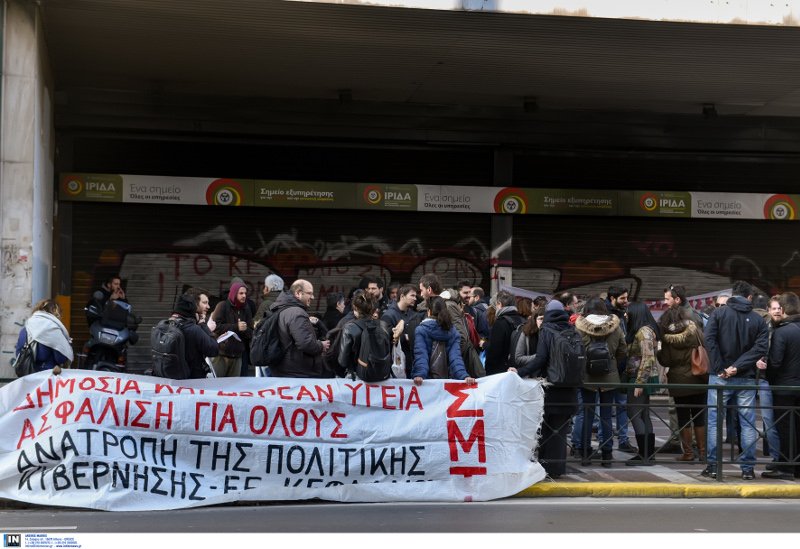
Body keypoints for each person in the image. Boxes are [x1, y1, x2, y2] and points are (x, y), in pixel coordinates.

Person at [702, 280, 769, 480]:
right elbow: (759, 349)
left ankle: (713, 466)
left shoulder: (718, 314)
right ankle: (747, 469)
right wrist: (737, 367)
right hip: (746, 377)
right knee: (747, 423)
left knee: (715, 421)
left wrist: (721, 367)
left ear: (733, 295)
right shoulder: (758, 320)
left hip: (720, 376)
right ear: (749, 297)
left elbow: (709, 340)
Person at [508, 300, 579, 479]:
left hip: (551, 386)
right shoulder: (573, 330)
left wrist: (520, 372)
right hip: (570, 387)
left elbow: (540, 359)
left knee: (547, 428)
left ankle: (546, 467)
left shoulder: (547, 331)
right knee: (560, 429)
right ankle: (558, 469)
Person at [574, 297, 627, 467]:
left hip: (586, 376)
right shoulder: (615, 327)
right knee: (606, 416)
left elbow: (575, 350)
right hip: (609, 376)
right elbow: (622, 351)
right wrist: (611, 364)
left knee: (587, 415)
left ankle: (585, 453)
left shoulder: (579, 327)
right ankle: (607, 454)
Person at [657, 306, 708, 462]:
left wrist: (659, 351)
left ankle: (688, 453)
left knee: (683, 417)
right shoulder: (696, 331)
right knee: (700, 416)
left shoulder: (666, 336)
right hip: (698, 378)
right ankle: (703, 453)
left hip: (678, 381)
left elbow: (665, 360)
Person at [763, 292, 800, 479]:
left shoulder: (782, 332)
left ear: (783, 310)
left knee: (785, 429)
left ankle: (786, 467)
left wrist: (766, 374)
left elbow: (775, 363)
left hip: (784, 388)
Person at [269, 279, 331, 378]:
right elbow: (306, 344)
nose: (313, 297)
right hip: (297, 372)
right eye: (309, 293)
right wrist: (321, 345)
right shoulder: (297, 313)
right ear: (298, 293)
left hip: (284, 369)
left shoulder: (282, 309)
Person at [623, 301, 660, 466]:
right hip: (644, 376)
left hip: (640, 377)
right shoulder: (646, 330)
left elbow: (648, 358)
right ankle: (648, 454)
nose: (626, 314)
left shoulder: (643, 332)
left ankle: (644, 454)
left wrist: (639, 383)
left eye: (628, 311)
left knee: (634, 413)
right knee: (643, 414)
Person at [411, 296, 477, 386]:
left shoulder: (421, 330)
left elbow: (421, 355)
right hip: (447, 382)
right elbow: (456, 358)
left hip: (425, 383)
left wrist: (419, 374)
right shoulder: (453, 332)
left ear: (429, 311)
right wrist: (464, 376)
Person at [606, 285, 635, 453]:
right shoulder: (608, 316)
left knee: (622, 405)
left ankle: (623, 440)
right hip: (610, 369)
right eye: (623, 298)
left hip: (621, 368)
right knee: (607, 407)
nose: (626, 301)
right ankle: (607, 442)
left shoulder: (623, 315)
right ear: (612, 299)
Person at [338, 294, 393, 377]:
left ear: (355, 308)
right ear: (374, 309)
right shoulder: (383, 325)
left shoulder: (349, 328)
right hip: (382, 375)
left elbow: (343, 361)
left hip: (357, 376)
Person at [170, 292, 220, 379]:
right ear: (194, 307)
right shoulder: (193, 329)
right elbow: (214, 349)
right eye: (204, 303)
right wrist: (203, 324)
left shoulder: (168, 324)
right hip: (192, 380)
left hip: (172, 376)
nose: (208, 307)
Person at [15, 299, 73, 373]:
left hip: (28, 377)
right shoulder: (52, 328)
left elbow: (18, 354)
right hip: (47, 377)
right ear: (55, 311)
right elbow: (61, 358)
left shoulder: (26, 329)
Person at [210, 281, 253, 377]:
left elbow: (251, 332)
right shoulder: (222, 306)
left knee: (233, 388)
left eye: (245, 293)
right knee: (217, 385)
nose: (244, 296)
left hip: (237, 356)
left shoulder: (246, 308)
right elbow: (215, 327)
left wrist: (245, 329)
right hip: (221, 355)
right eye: (241, 293)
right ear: (234, 293)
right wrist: (235, 327)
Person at [484, 290, 525, 375]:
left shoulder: (500, 323)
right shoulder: (522, 320)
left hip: (502, 372)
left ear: (499, 304)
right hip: (519, 370)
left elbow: (494, 352)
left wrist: (489, 372)